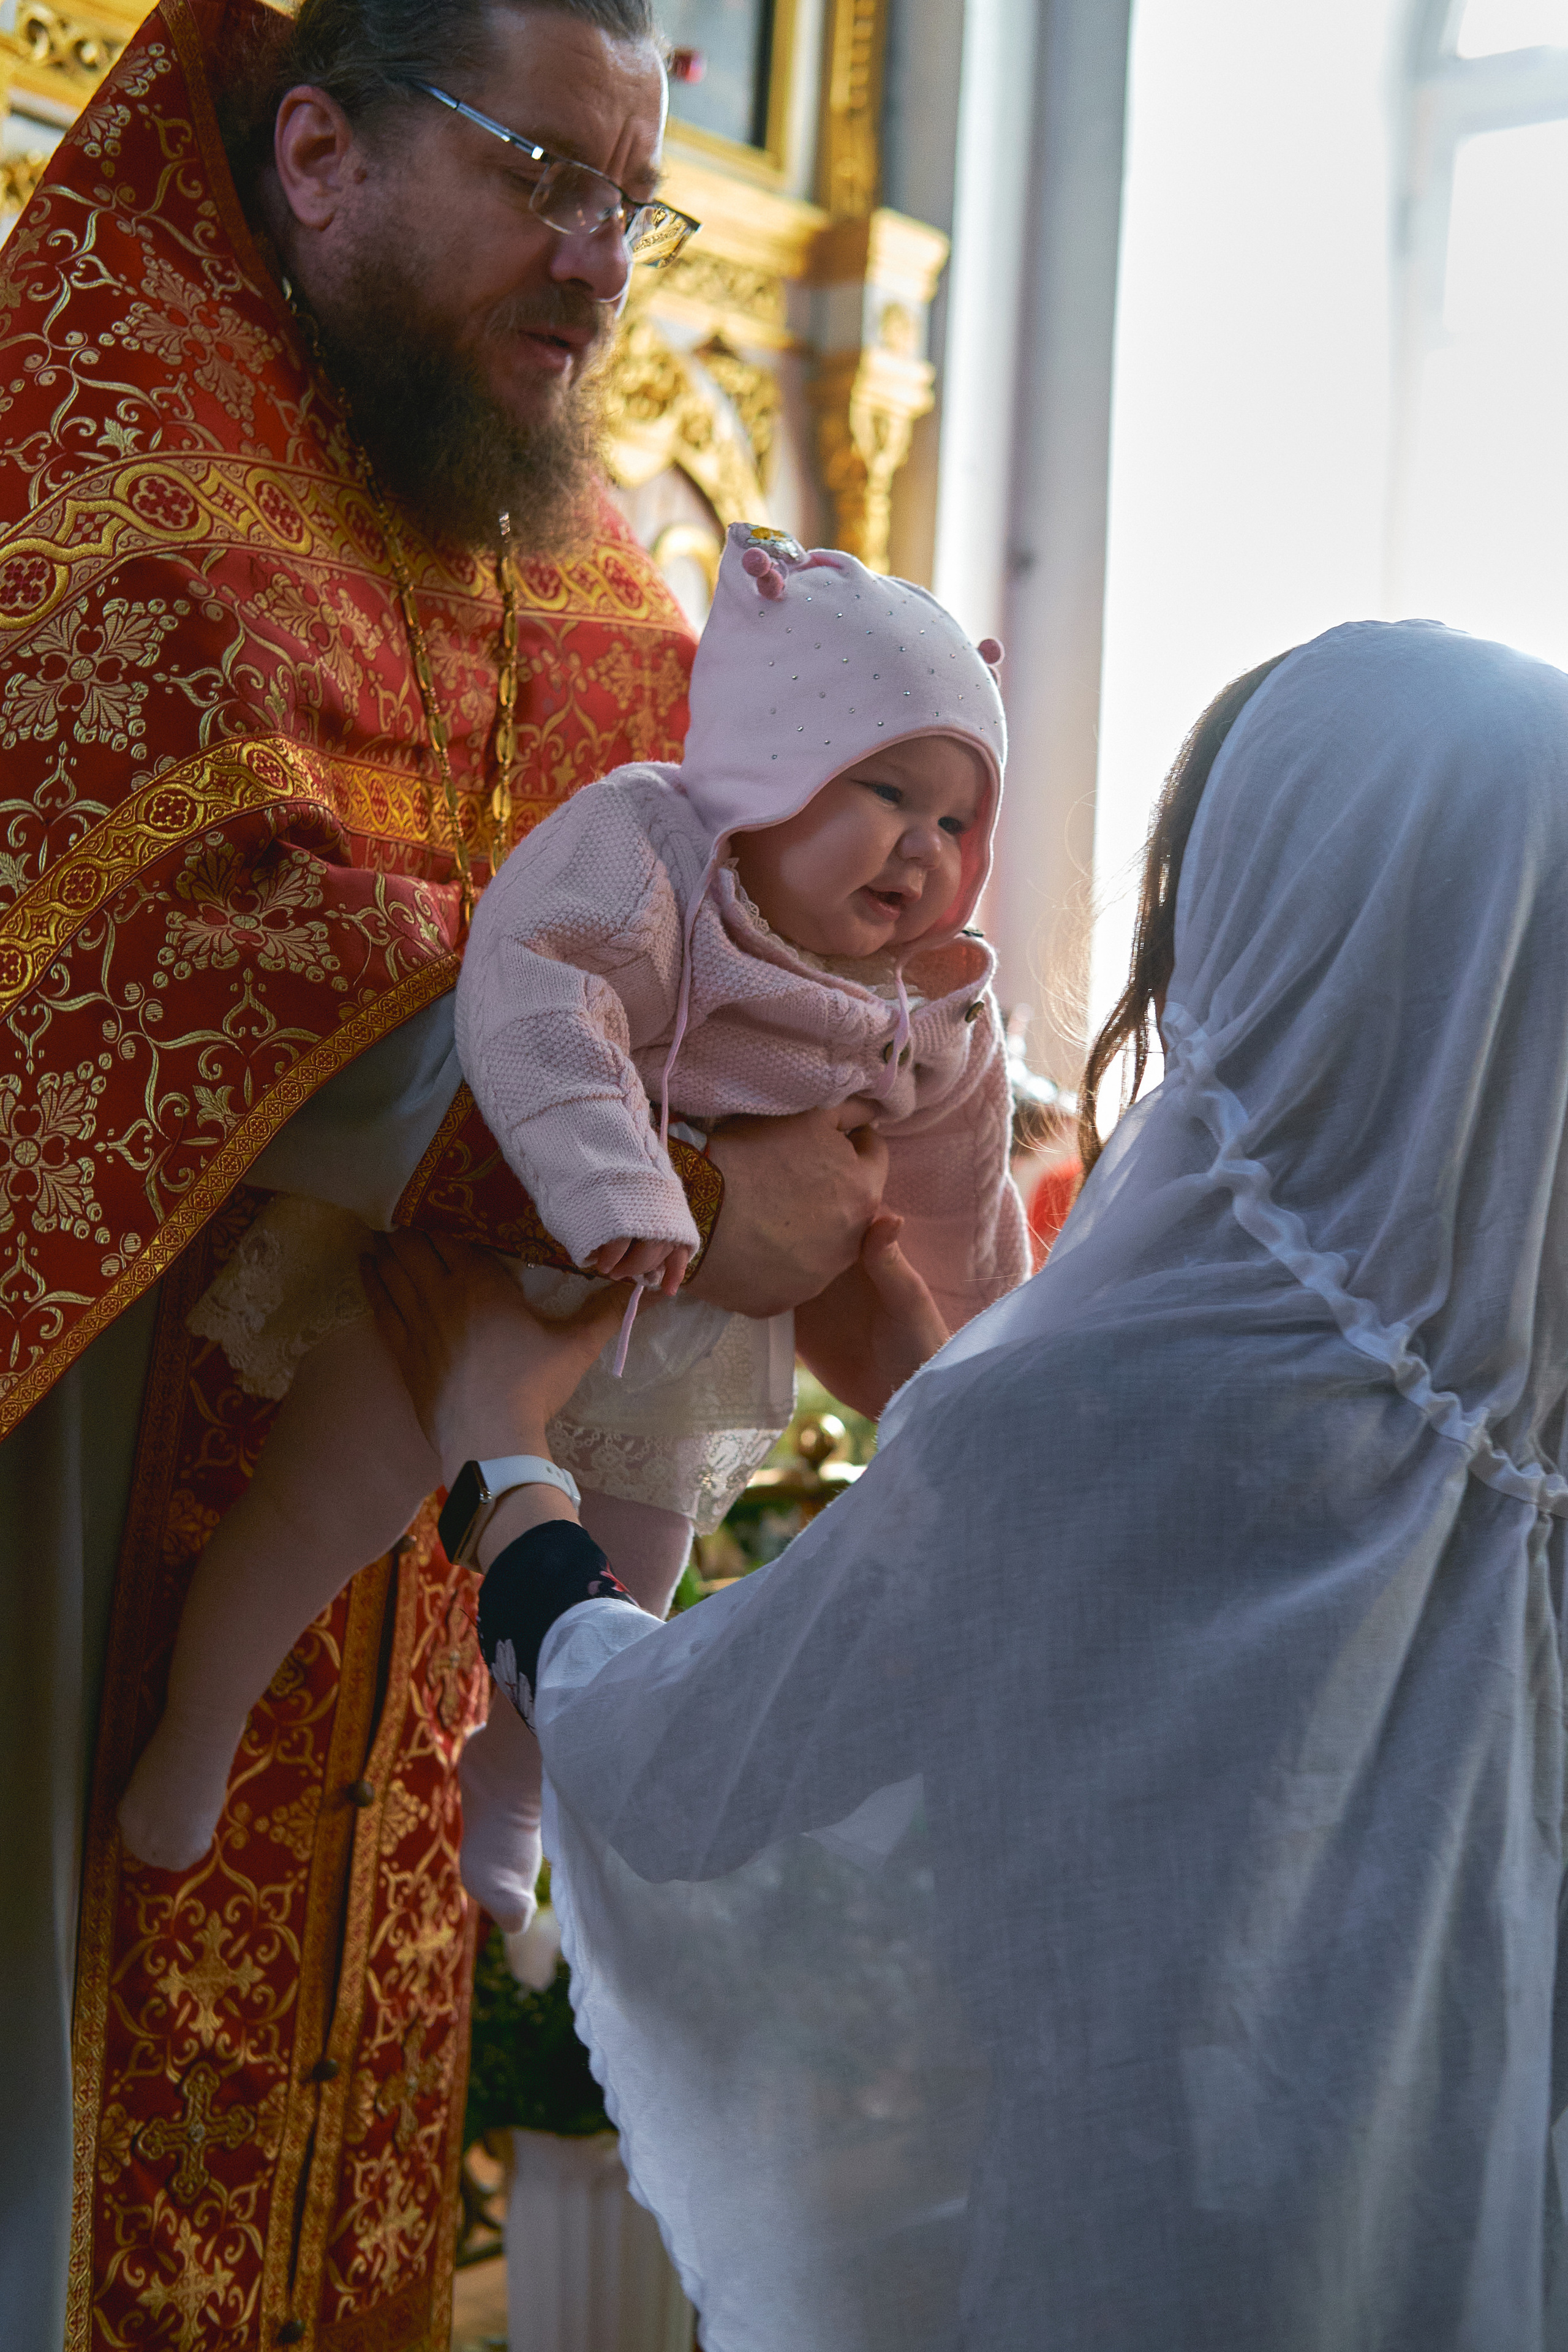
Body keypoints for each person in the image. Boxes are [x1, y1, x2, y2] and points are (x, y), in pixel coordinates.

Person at [0, 2, 890, 2343]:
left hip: (409, 1604)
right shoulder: (115, 482)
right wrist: (696, 1167)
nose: (608, 266)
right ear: (319, 149)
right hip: (90, 1537)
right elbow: (217, 978)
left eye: (639, 202)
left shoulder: (575, 564)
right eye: (547, 180)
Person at [369, 619, 1568, 2350]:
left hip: (1154, 2263)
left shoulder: (1118, 1402)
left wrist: (505, 1462)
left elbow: (692, 1772)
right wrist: (952, 1404)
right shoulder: (1506, 1425)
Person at [115, 524, 1025, 1926]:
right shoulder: (651, 851)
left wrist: (983, 1352)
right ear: (767, 767)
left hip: (680, 1328)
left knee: (628, 1582)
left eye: (956, 822)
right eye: (884, 788)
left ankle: (517, 1784)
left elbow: (956, 1184)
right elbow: (539, 988)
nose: (922, 846)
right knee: (326, 1498)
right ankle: (199, 1722)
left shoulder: (927, 996)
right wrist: (628, 1191)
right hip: (503, 1257)